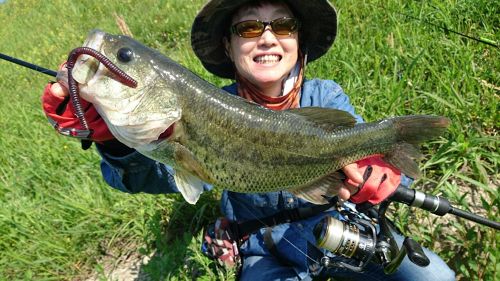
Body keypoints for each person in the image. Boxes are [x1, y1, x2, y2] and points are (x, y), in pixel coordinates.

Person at [41, 0, 456, 280]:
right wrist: (112, 141)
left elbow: (383, 173)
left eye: (284, 25)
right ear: (228, 43)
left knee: (432, 276)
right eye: (250, 27)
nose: (267, 37)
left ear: (299, 41)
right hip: (256, 244)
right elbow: (152, 178)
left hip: (332, 226)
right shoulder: (206, 107)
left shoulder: (325, 99)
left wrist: (382, 173)